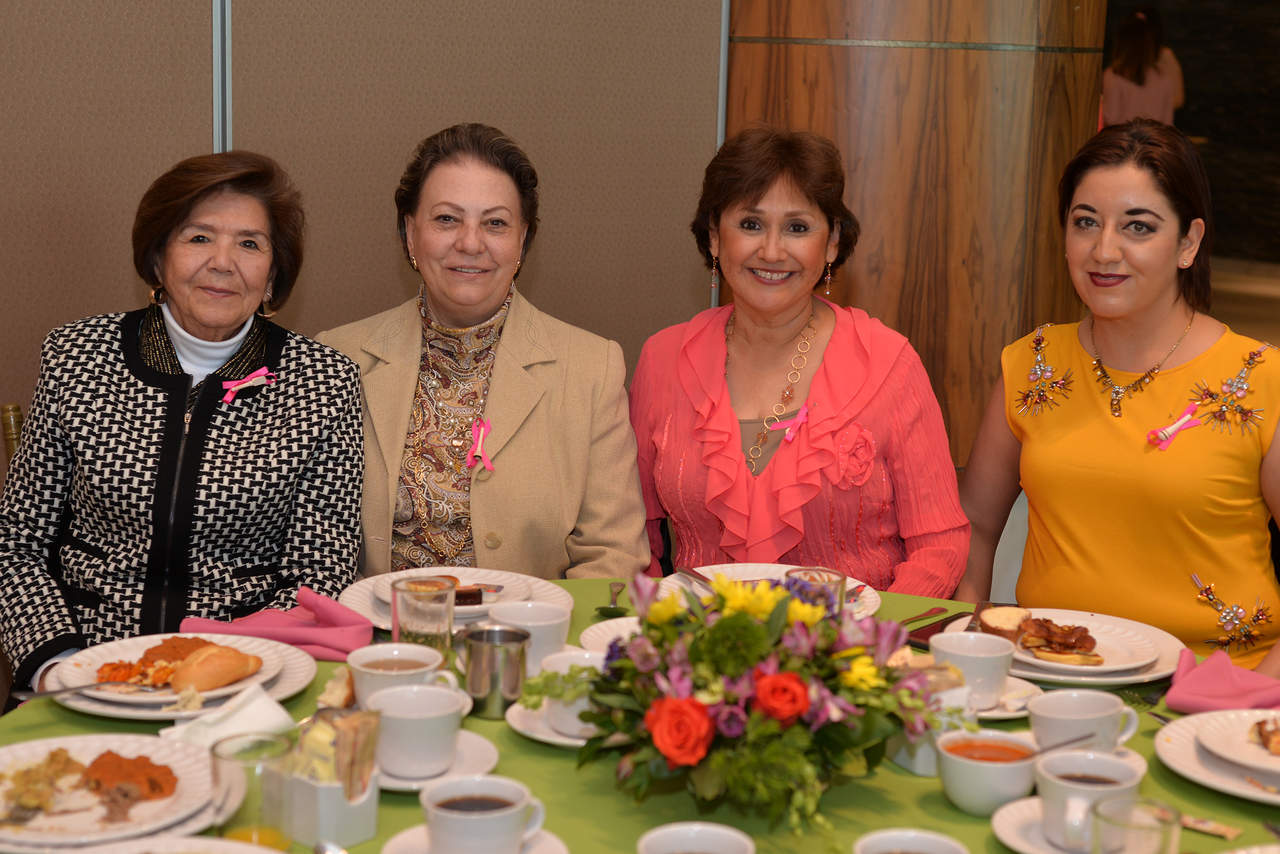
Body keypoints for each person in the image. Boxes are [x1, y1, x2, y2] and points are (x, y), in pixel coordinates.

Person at [0, 151, 363, 690]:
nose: (222, 262)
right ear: (157, 258)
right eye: (199, 237)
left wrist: (240, 668)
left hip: (243, 673)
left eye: (249, 244)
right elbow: (17, 543)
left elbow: (321, 570)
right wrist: (58, 667)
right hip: (87, 663)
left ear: (273, 274)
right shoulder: (77, 356)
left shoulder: (323, 382)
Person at [958, 119, 1279, 669]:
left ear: (1188, 243)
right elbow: (976, 531)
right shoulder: (1032, 364)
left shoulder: (1260, 379)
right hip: (1053, 670)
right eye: (1085, 222)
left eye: (1138, 227)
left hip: (1214, 685)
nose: (1104, 251)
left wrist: (1255, 694)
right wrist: (970, 654)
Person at [628, 127, 969, 595]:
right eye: (751, 224)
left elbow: (939, 544)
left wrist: (876, 630)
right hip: (702, 634)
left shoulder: (890, 364)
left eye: (797, 228)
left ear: (832, 243)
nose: (772, 251)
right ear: (714, 237)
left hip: (852, 636)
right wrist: (662, 622)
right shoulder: (662, 360)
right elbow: (632, 537)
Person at [318, 123, 647, 580]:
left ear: (522, 240)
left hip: (536, 625)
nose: (470, 243)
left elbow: (613, 557)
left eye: (495, 223)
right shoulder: (337, 359)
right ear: (411, 233)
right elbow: (311, 550)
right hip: (375, 626)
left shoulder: (591, 368)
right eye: (447, 219)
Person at [1102, 8, 1184, 127]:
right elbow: (1167, 122)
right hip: (1153, 137)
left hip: (1123, 137)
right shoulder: (1163, 77)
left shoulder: (1114, 75)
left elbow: (1111, 117)